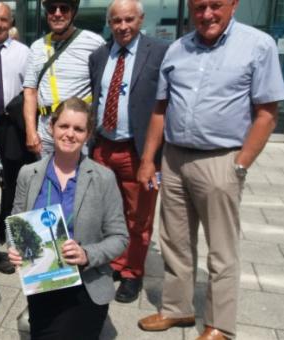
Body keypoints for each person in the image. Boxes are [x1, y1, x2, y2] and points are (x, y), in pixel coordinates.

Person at [136, 1, 284, 339]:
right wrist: (148, 159)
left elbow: (267, 113)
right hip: (174, 158)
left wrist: (240, 164)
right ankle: (178, 309)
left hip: (221, 159)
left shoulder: (256, 46)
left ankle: (218, 324)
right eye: (199, 7)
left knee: (221, 247)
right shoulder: (177, 49)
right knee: (173, 239)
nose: (206, 15)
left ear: (233, 4)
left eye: (215, 5)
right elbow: (161, 109)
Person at [8, 97, 128, 339]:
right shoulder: (28, 175)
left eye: (78, 129)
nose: (70, 134)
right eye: (64, 126)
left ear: (87, 134)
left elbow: (120, 237)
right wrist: (14, 248)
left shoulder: (103, 178)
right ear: (52, 127)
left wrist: (87, 254)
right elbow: (16, 224)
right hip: (43, 282)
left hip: (86, 284)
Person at [88, 0, 169, 303]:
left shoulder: (159, 53)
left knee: (139, 217)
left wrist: (154, 158)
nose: (123, 26)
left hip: (139, 152)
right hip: (103, 148)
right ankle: (111, 261)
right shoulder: (98, 56)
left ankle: (132, 272)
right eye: (116, 21)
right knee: (105, 213)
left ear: (141, 19)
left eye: (129, 20)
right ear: (109, 23)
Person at [0, 2, 34, 273]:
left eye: (4, 19)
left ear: (10, 21)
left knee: (13, 178)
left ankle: (7, 223)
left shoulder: (24, 52)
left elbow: (30, 91)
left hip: (12, 124)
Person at [23, 0, 105, 157]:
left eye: (64, 8)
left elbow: (102, 88)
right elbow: (30, 92)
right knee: (47, 179)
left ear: (73, 12)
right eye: (52, 9)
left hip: (78, 132)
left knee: (79, 179)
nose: (58, 13)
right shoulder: (37, 47)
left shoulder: (94, 43)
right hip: (46, 135)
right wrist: (31, 131)